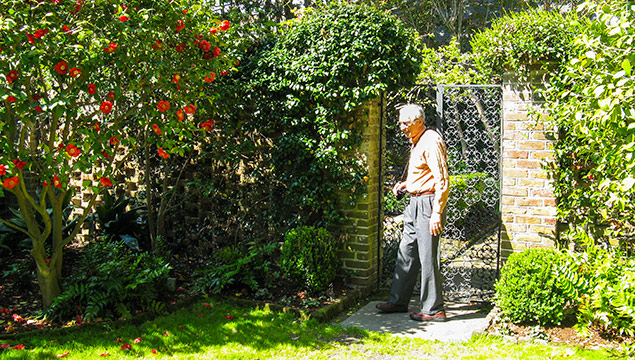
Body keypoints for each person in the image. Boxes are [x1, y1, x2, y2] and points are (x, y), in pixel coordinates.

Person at [376, 104, 450, 322]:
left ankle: (434, 309)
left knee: (428, 257)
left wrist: (437, 213)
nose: (401, 127)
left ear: (419, 122)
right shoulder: (418, 142)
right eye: (400, 122)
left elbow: (442, 180)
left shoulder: (431, 141)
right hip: (414, 203)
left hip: (428, 204)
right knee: (406, 251)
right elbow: (423, 175)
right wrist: (405, 184)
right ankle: (398, 301)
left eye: (405, 123)